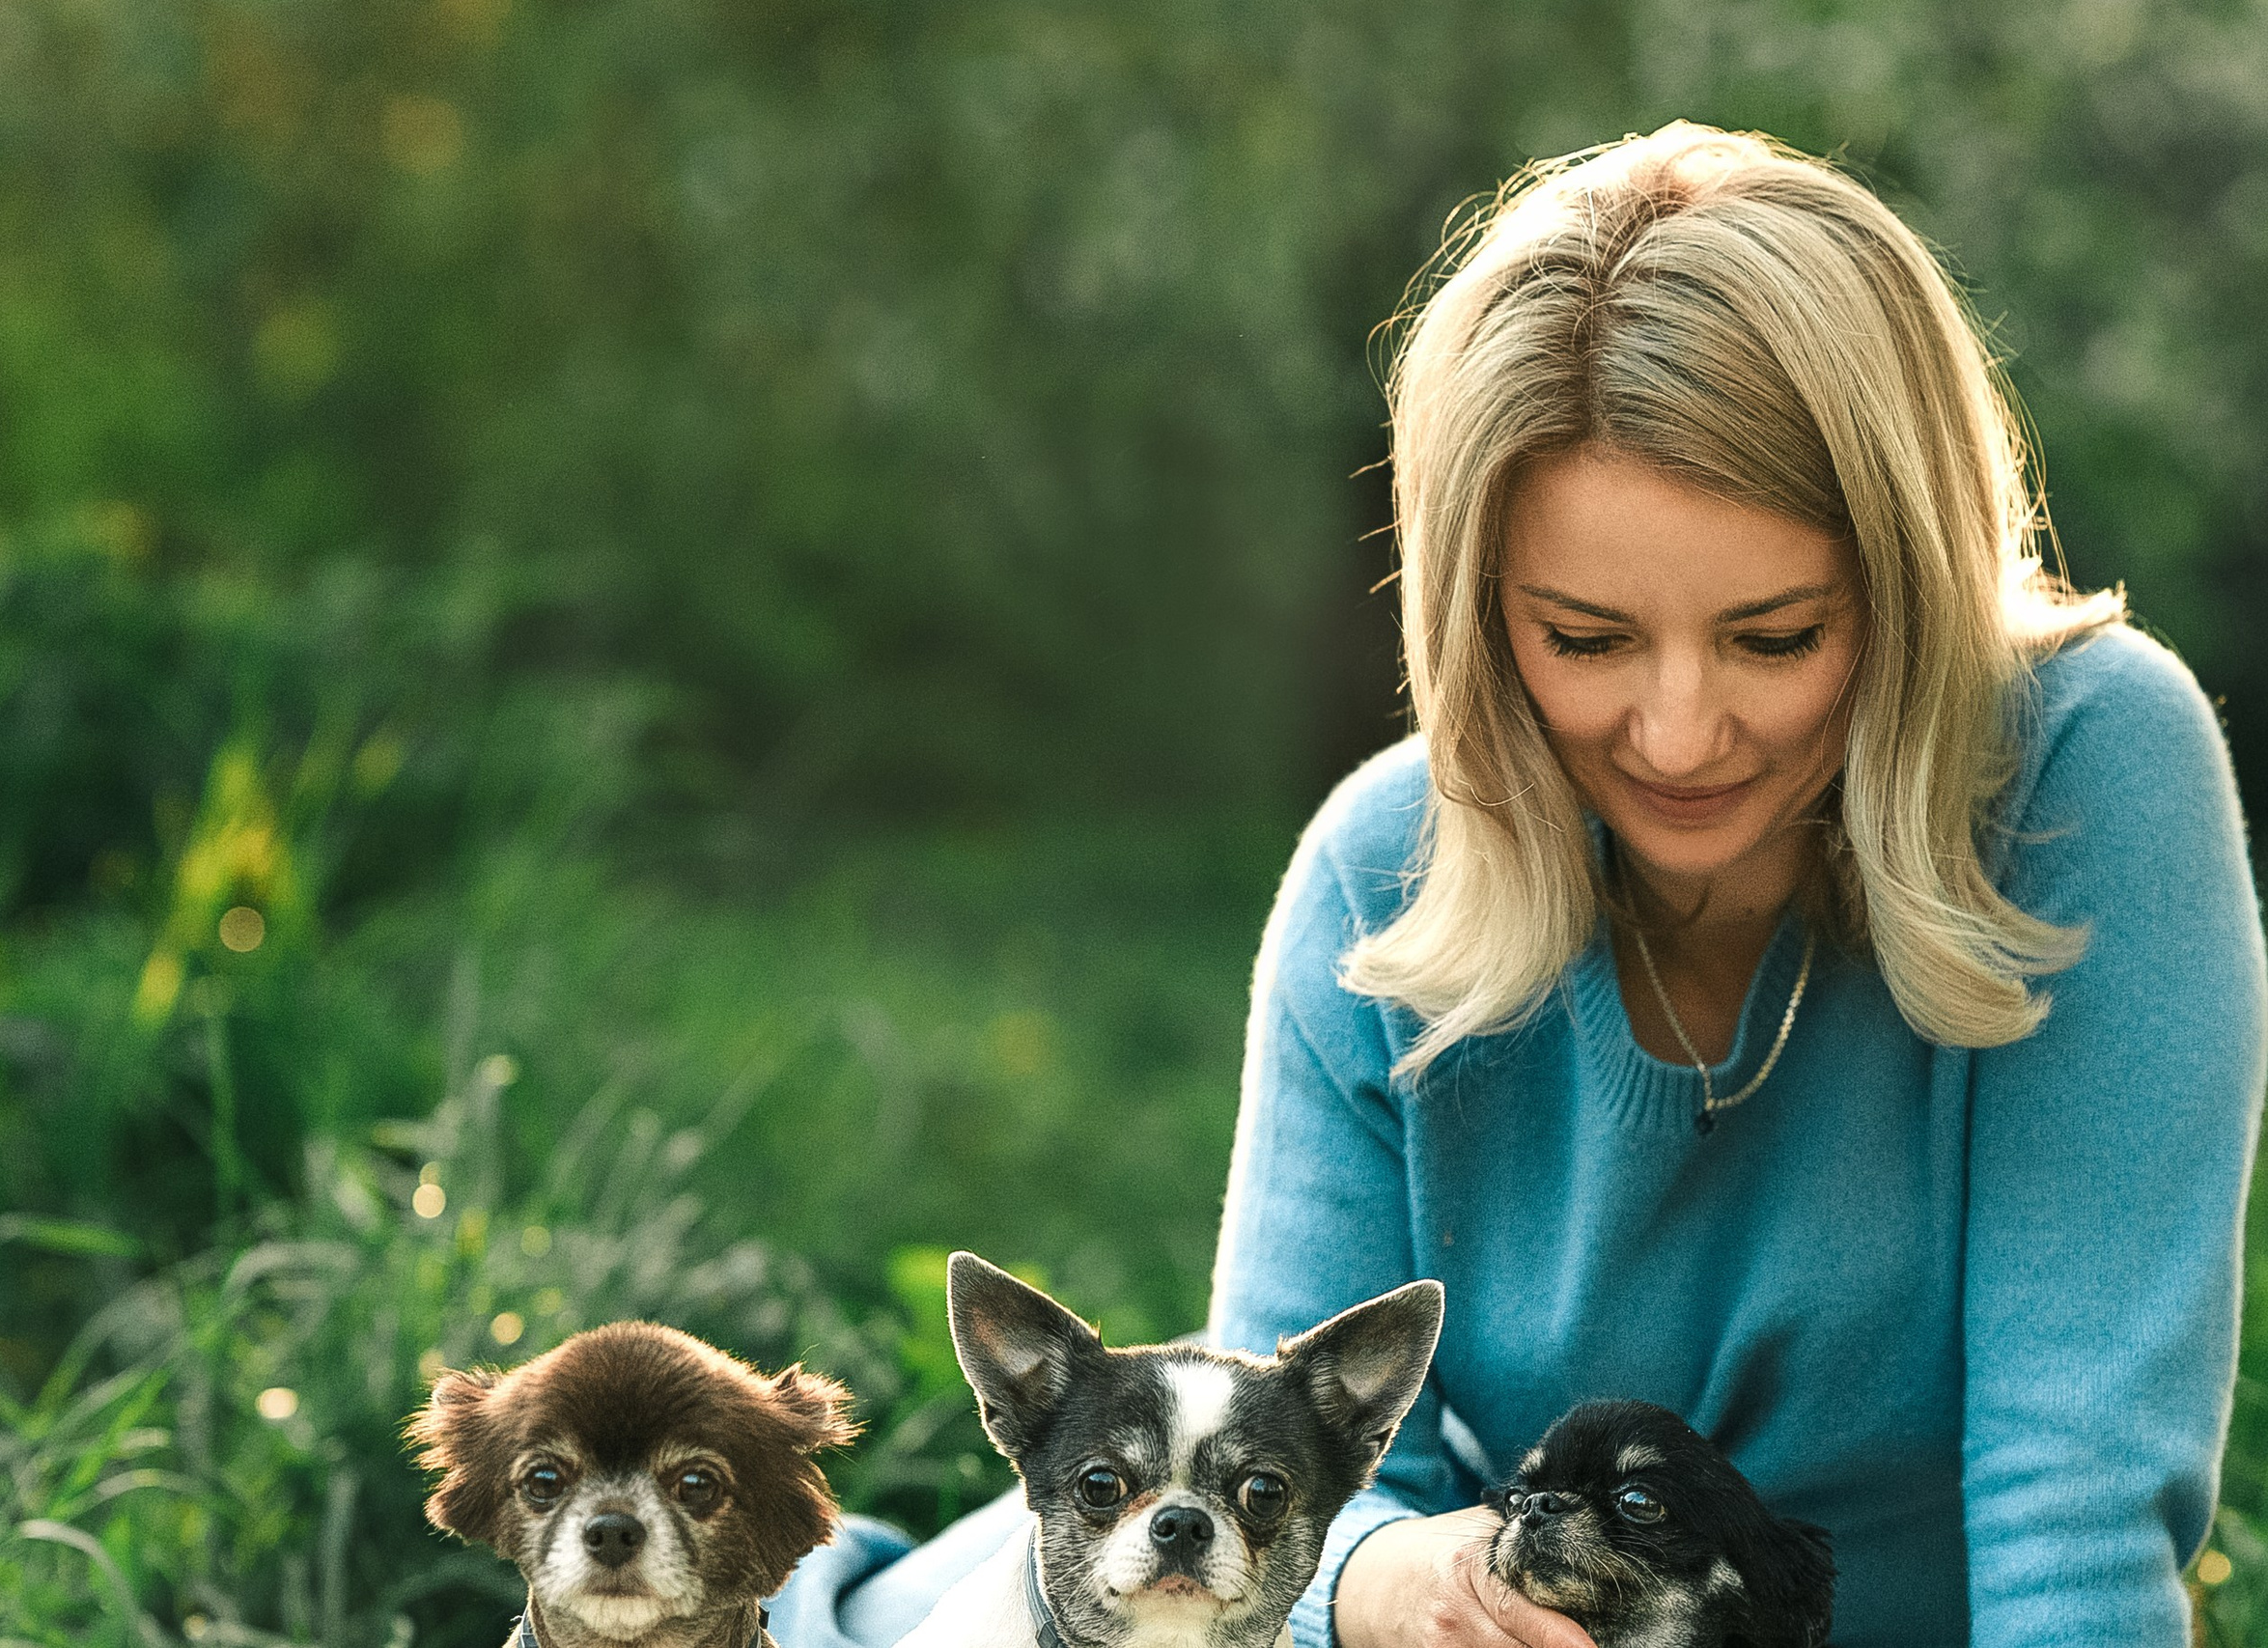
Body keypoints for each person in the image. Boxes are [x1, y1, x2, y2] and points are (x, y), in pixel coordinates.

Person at [770, 123, 2267, 1648]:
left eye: (1776, 637)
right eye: (1587, 639)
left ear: (1912, 582)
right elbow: (1304, 1499)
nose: (1681, 734)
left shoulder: (2091, 772)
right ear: (1478, 620)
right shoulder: (1379, 878)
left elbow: (2074, 1513)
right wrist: (1375, 1580)